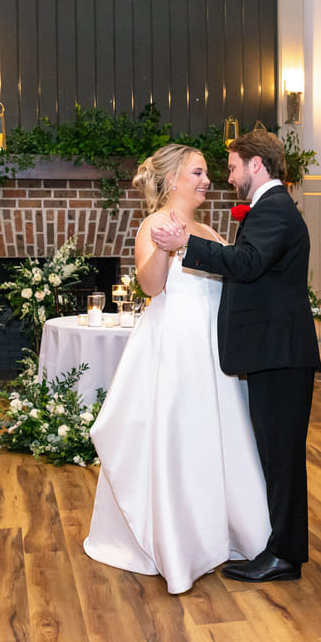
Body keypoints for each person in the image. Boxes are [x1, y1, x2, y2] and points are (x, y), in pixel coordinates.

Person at [84, 144, 271, 593]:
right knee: (180, 436)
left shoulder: (208, 227)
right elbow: (151, 286)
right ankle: (177, 541)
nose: (207, 181)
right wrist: (166, 248)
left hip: (212, 343)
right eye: (198, 173)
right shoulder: (154, 224)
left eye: (208, 173)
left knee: (220, 436)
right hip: (175, 346)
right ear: (172, 180)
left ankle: (224, 532)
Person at [152, 129, 321, 583]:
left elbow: (246, 264)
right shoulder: (273, 207)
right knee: (275, 454)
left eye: (230, 167)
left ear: (256, 165)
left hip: (280, 354)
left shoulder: (275, 209)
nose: (226, 177)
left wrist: (186, 244)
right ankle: (281, 547)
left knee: (281, 457)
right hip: (274, 352)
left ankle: (285, 555)